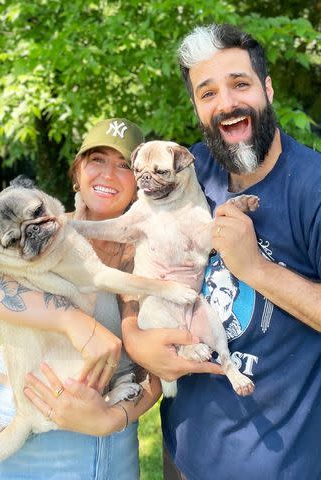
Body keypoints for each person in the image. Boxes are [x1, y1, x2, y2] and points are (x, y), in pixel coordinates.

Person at [121, 24, 321, 479]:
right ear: (196, 108)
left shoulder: (313, 188)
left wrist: (256, 269)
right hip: (182, 458)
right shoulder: (188, 173)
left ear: (267, 89)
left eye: (240, 84)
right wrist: (134, 333)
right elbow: (128, 248)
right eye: (207, 93)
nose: (226, 103)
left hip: (281, 467)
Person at [0, 117, 163, 480]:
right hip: (16, 424)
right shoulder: (29, 228)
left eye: (125, 165)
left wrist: (112, 419)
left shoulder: (152, 257)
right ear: (77, 171)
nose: (109, 174)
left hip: (106, 435)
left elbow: (158, 371)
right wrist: (71, 319)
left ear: (141, 181)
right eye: (97, 159)